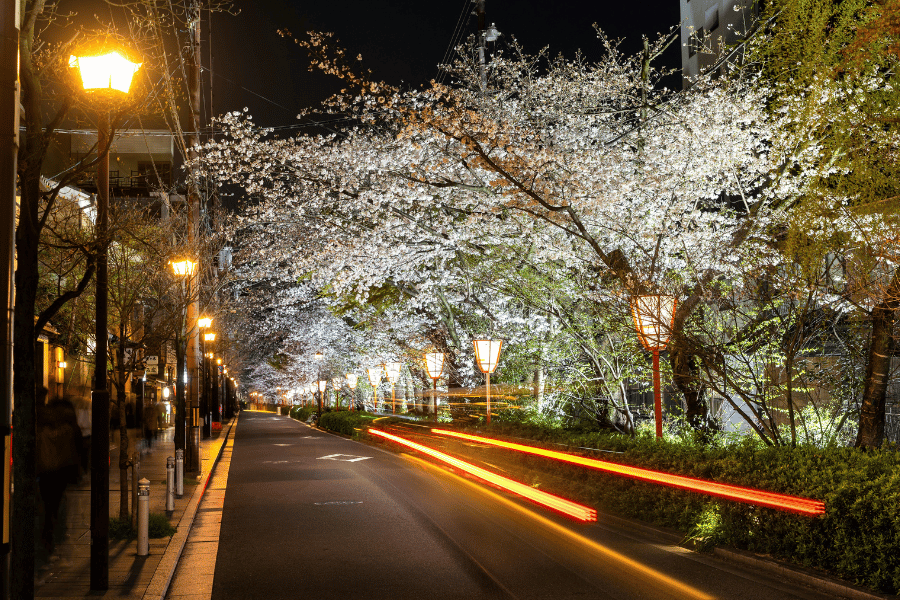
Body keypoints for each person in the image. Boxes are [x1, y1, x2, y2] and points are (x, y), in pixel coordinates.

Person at [36, 393, 82, 552]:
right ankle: (53, 536)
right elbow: (77, 447)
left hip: (45, 471)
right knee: (56, 505)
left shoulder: (43, 424)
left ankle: (48, 536)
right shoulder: (68, 427)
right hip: (61, 471)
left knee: (48, 505)